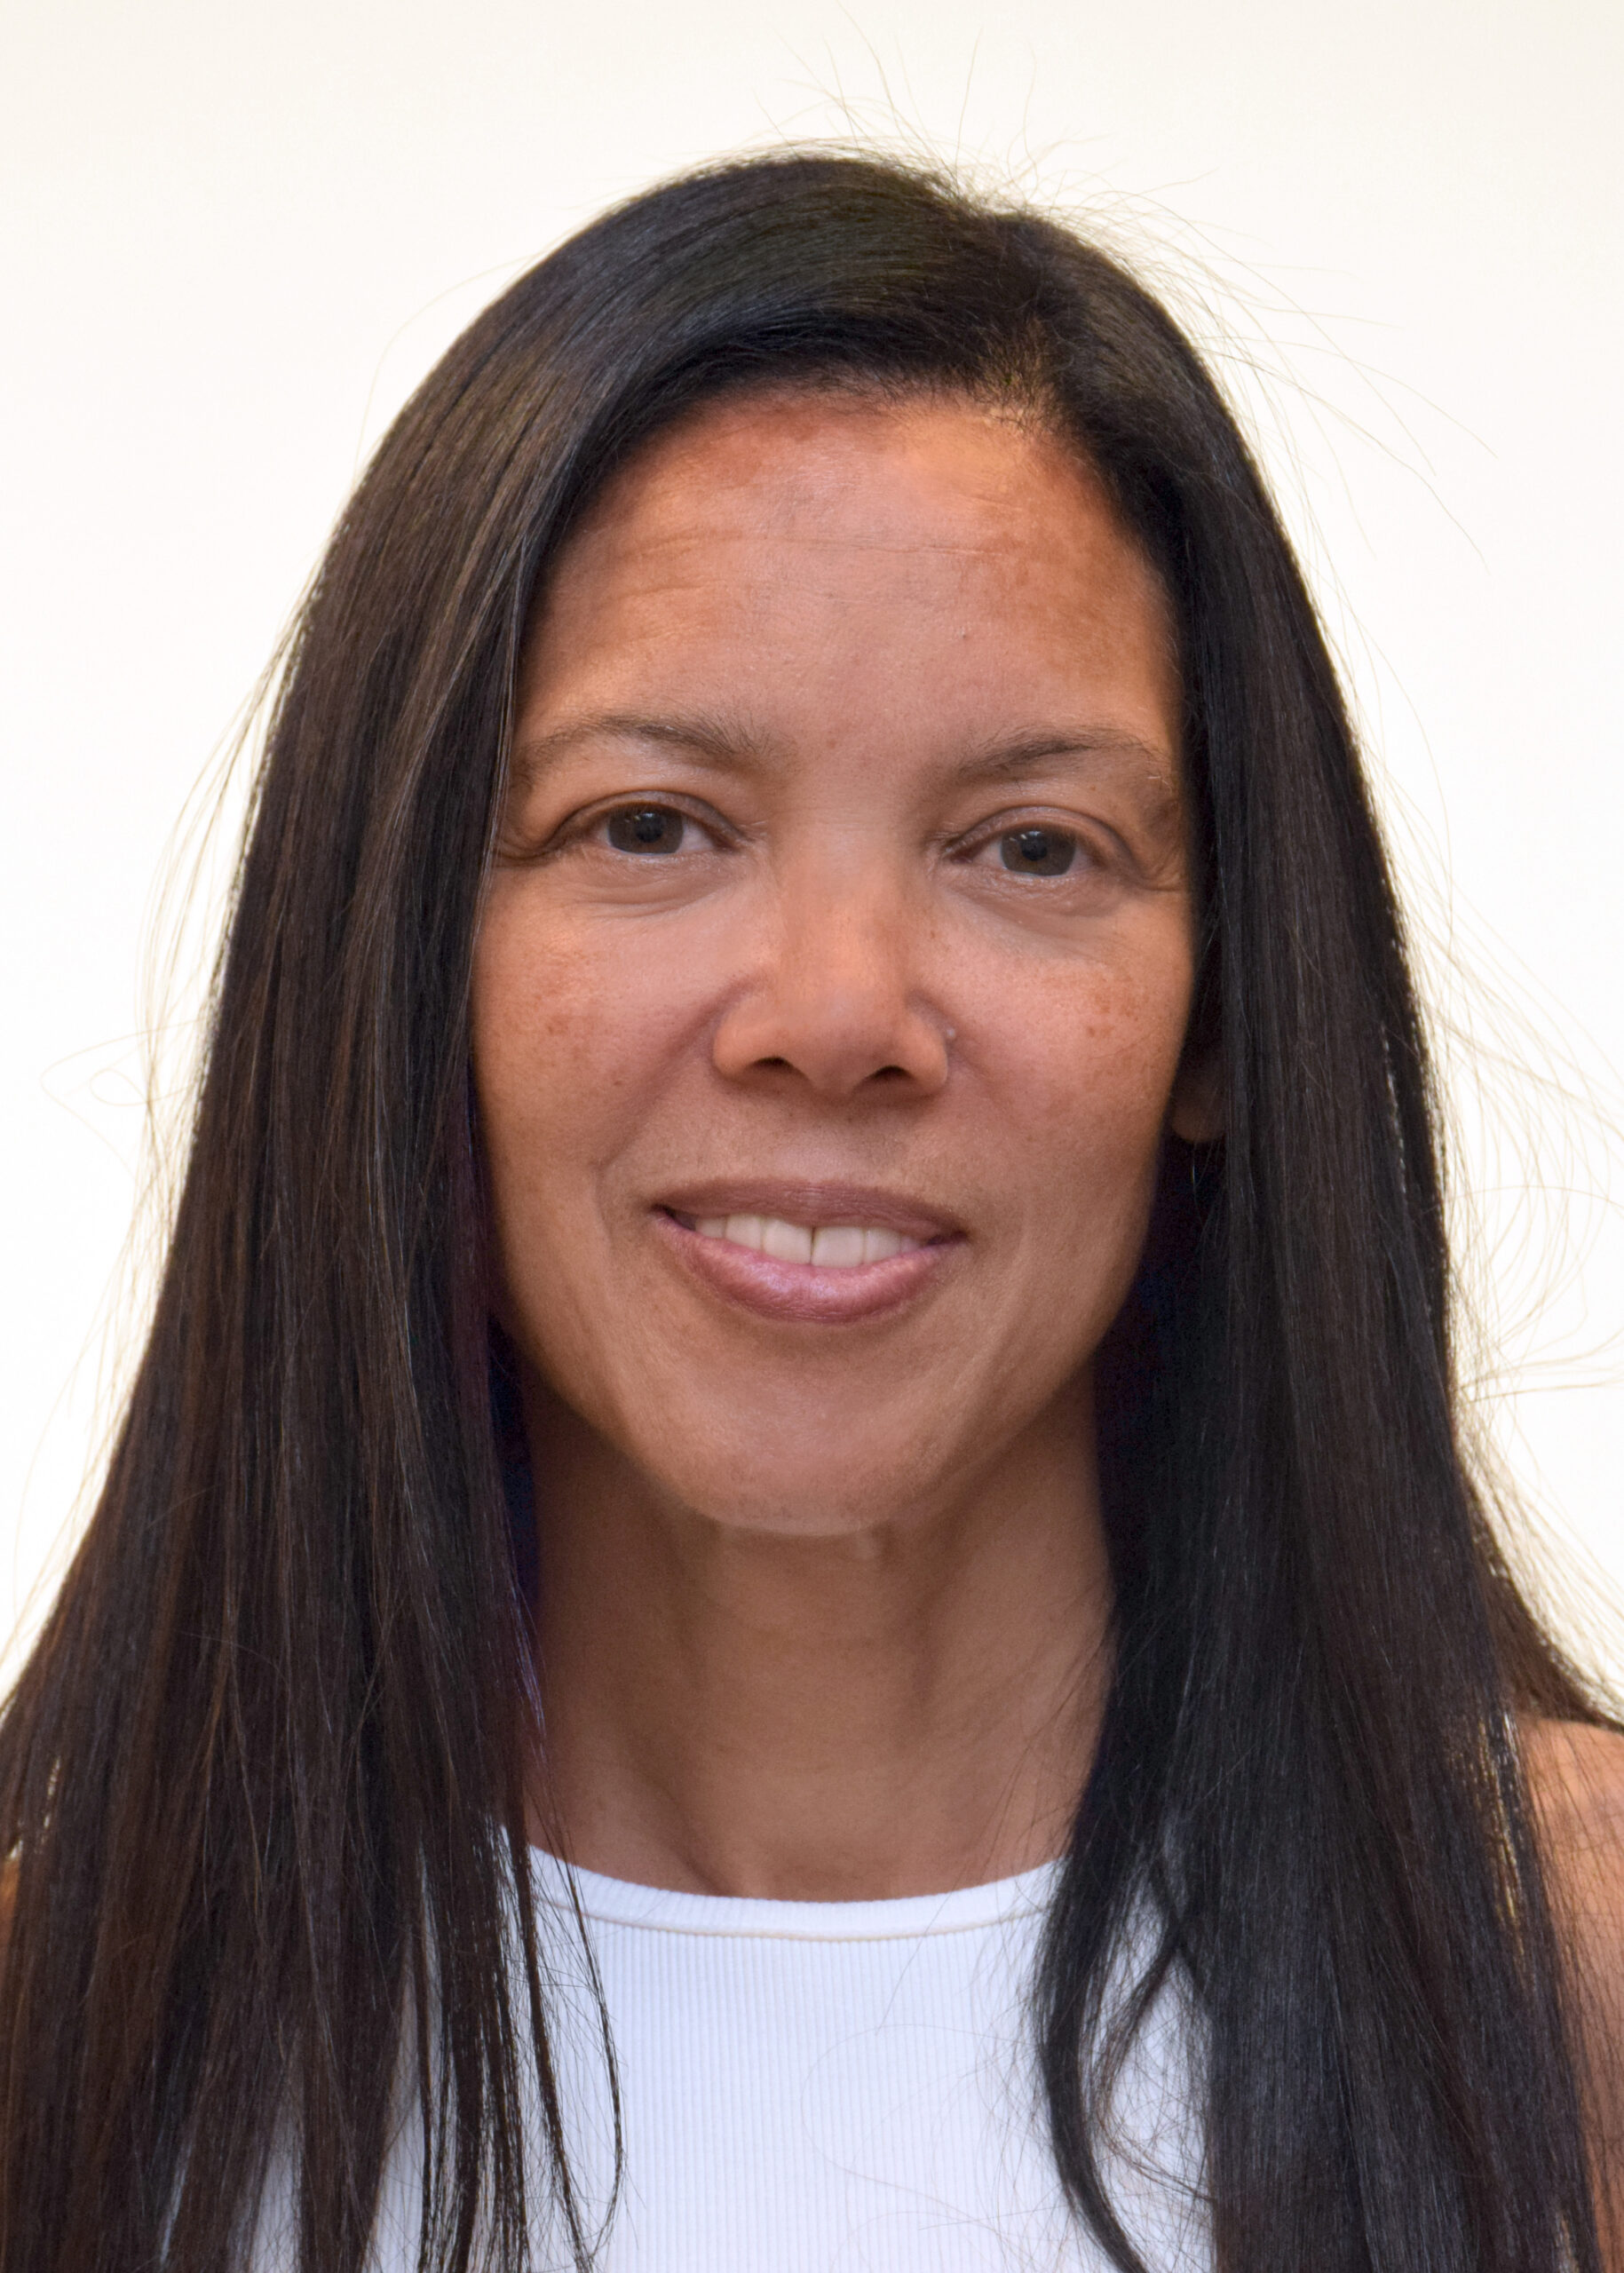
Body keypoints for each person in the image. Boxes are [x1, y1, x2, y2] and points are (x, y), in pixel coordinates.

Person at [2, 148, 1621, 2273]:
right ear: (403, 967)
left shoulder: (1575, 1992)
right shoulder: (61, 2034)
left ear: (1222, 1010)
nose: (840, 1012)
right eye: (650, 822)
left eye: (1030, 848)